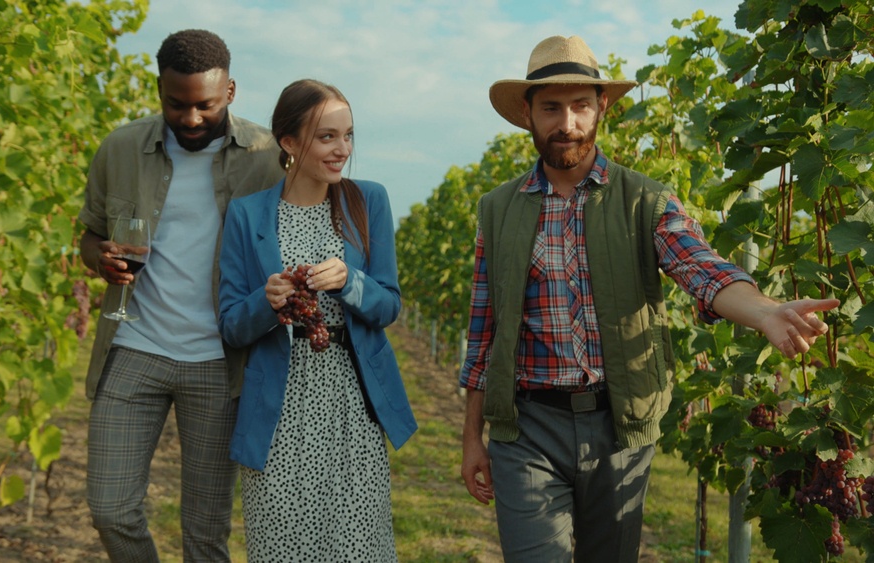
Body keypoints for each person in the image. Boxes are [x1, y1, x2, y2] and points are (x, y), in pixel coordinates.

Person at [459, 35, 840, 562]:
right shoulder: (497, 209)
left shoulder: (646, 199)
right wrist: (472, 436)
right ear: (527, 114)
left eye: (580, 106)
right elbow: (484, 331)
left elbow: (698, 266)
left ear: (601, 109)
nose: (565, 122)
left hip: (618, 425)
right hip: (525, 429)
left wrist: (765, 311)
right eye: (551, 107)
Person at [78, 29, 284, 562]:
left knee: (206, 532)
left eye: (205, 106)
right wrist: (99, 257)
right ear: (159, 91)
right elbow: (90, 234)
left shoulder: (267, 158)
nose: (191, 119)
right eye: (176, 104)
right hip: (134, 346)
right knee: (111, 509)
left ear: (231, 92)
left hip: (220, 362)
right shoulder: (120, 148)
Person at [217, 79, 417, 562]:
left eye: (347, 136)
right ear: (288, 142)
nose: (342, 149)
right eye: (327, 137)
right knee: (281, 546)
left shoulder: (367, 200)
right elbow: (231, 325)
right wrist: (267, 302)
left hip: (350, 399)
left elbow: (389, 304)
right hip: (277, 408)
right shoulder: (247, 214)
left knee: (356, 546)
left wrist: (351, 282)